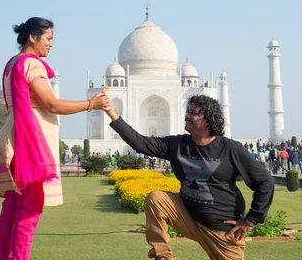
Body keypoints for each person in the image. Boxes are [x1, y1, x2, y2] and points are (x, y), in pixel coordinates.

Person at [0, 17, 109, 260]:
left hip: (11, 137)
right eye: (49, 38)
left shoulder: (12, 64)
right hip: (27, 143)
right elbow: (51, 103)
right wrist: (91, 104)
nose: (51, 44)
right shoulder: (31, 65)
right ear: (32, 37)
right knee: (29, 208)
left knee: (13, 207)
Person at [103, 94, 274, 260]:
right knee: (157, 199)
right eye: (188, 111)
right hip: (188, 217)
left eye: (193, 113)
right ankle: (164, 257)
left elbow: (265, 182)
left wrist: (251, 220)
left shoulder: (230, 149)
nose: (187, 116)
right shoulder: (178, 145)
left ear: (207, 120)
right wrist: (111, 111)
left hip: (221, 230)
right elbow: (140, 142)